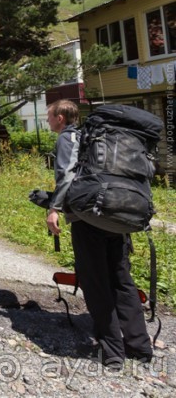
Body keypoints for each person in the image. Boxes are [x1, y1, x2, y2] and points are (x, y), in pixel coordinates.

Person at [46, 99, 152, 369]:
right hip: (119, 213)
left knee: (95, 282)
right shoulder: (98, 137)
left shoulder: (69, 138)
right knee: (121, 279)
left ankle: (112, 352)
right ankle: (140, 347)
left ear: (59, 117)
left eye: (49, 116)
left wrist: (54, 208)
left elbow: (67, 174)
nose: (48, 120)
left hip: (89, 216)